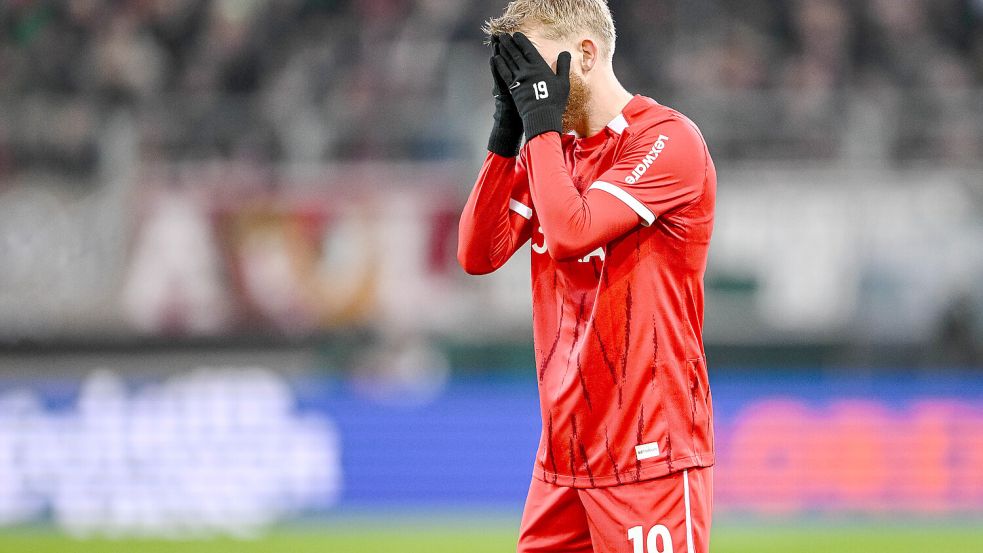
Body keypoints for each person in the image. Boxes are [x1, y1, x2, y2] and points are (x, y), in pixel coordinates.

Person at [457, 1, 717, 551]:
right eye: (517, 70)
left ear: (587, 54)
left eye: (537, 66)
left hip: (649, 452)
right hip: (564, 455)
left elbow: (574, 230)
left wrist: (541, 131)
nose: (529, 85)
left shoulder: (668, 141)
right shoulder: (552, 152)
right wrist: (507, 137)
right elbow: (478, 253)